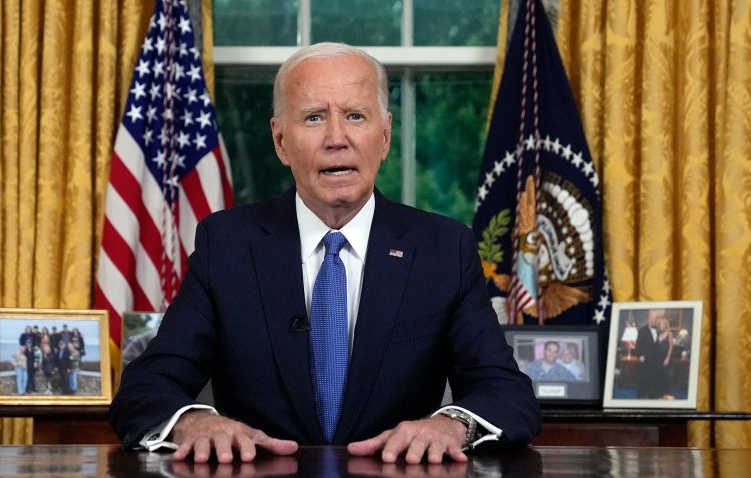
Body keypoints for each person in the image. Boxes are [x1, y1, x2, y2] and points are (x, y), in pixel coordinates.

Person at [110, 42, 541, 465]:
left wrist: (451, 425)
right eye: (314, 118)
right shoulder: (226, 245)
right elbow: (147, 385)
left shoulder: (444, 249)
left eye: (355, 116)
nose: (338, 138)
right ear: (281, 141)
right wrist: (193, 421)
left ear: (385, 135)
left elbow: (506, 392)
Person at [635, 309, 664, 398]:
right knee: (643, 378)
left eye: (656, 318)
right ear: (649, 318)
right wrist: (640, 356)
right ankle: (640, 395)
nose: (654, 320)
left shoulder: (659, 330)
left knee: (654, 378)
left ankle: (652, 394)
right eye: (652, 318)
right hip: (645, 359)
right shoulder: (642, 330)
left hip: (656, 359)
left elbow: (658, 345)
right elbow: (638, 345)